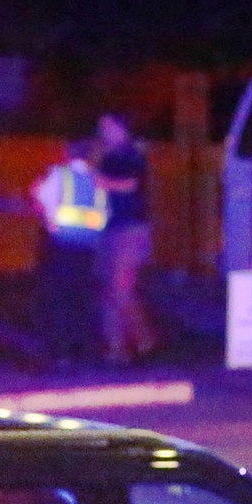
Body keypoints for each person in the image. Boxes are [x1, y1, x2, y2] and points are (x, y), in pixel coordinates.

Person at [29, 138, 107, 366]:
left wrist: (48, 221)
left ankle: (60, 353)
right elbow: (103, 212)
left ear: (67, 152)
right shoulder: (97, 179)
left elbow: (39, 197)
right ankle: (83, 351)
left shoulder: (59, 174)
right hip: (88, 248)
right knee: (83, 299)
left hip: (62, 246)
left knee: (59, 299)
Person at [94, 111, 156, 365]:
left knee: (121, 290)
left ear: (122, 129)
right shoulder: (105, 157)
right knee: (108, 291)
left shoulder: (133, 155)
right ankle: (116, 350)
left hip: (131, 229)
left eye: (108, 127)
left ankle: (145, 339)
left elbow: (131, 185)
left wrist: (100, 181)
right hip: (109, 229)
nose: (103, 133)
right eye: (101, 128)